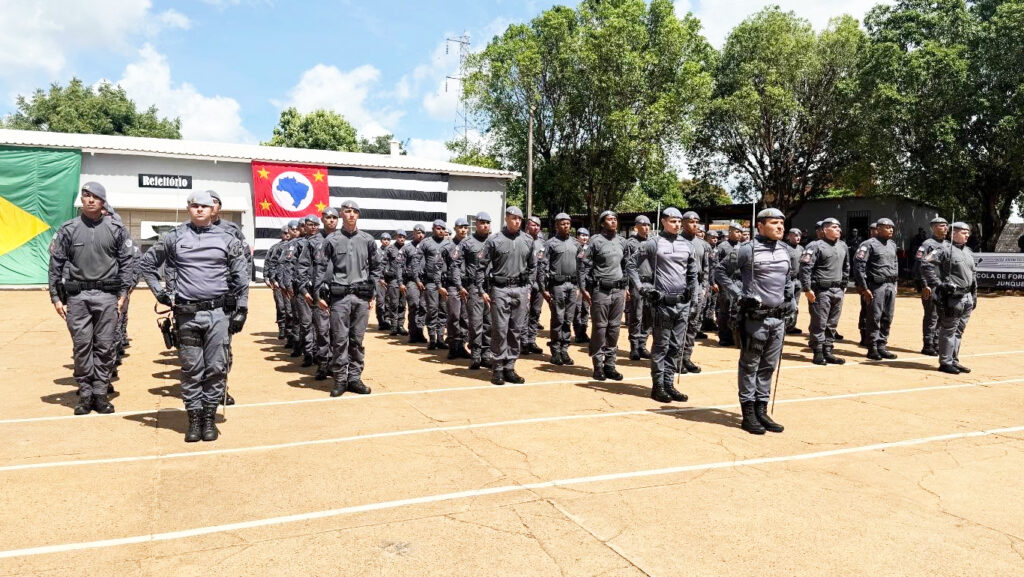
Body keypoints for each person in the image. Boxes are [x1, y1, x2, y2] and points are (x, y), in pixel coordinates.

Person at [139, 190, 249, 442]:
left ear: (213, 210)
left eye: (204, 206)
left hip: (219, 314)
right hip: (186, 314)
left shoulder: (227, 239)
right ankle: (194, 419)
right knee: (191, 368)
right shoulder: (174, 237)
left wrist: (242, 309)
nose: (199, 209)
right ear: (188, 209)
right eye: (194, 206)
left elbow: (241, 277)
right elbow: (146, 264)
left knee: (216, 368)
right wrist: (160, 293)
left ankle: (209, 419)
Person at [48, 182, 134, 415]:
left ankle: (100, 393)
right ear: (82, 200)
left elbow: (127, 262)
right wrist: (55, 296)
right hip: (78, 297)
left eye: (95, 196)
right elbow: (55, 264)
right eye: (86, 196)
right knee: (82, 346)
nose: (90, 200)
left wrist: (123, 293)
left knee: (105, 346)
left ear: (103, 201)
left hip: (107, 296)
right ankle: (85, 395)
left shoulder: (116, 229)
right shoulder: (68, 229)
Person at [716, 208, 791, 435]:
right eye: (774, 223)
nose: (780, 227)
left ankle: (761, 409)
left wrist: (791, 303)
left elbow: (788, 280)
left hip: (778, 319)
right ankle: (748, 412)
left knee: (768, 366)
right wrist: (739, 296)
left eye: (782, 224)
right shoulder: (747, 250)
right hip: (755, 319)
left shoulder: (785, 250)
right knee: (750, 365)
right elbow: (721, 272)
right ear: (760, 226)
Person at [626, 207, 698, 403]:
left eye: (678, 221)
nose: (676, 225)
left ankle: (669, 383)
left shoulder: (687, 244)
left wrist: (693, 295)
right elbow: (631, 265)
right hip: (662, 303)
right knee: (661, 345)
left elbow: (693, 273)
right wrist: (642, 288)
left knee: (676, 346)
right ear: (664, 222)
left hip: (682, 303)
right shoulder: (653, 243)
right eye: (672, 221)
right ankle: (658, 386)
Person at [314, 200, 382, 396]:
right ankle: (340, 379)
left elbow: (376, 268)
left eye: (355, 212)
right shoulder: (331, 240)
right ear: (341, 214)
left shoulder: (368, 240)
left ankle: (354, 378)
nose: (351, 215)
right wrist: (318, 293)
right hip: (340, 297)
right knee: (339, 339)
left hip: (361, 297)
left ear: (358, 215)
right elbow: (320, 267)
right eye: (347, 211)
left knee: (357, 340)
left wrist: (373, 292)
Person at [479, 206, 536, 385]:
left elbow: (533, 266)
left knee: (515, 330)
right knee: (500, 330)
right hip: (500, 289)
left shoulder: (528, 240)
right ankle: (497, 369)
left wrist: (528, 288)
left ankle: (510, 367)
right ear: (506, 219)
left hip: (520, 290)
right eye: (514, 218)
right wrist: (482, 291)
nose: (517, 221)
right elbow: (481, 266)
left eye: (520, 219)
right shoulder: (494, 239)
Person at [920, 222, 978, 374]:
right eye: (964, 232)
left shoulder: (969, 251)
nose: (967, 235)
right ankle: (945, 362)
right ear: (953, 234)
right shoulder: (944, 249)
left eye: (968, 232)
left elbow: (973, 275)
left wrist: (974, 295)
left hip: (966, 297)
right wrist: (938, 284)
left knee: (959, 330)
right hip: (952, 297)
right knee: (948, 329)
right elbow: (925, 264)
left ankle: (954, 360)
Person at [579, 210, 628, 382]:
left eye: (615, 219)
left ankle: (610, 365)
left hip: (618, 291)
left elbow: (627, 265)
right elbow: (583, 265)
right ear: (602, 223)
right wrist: (583, 287)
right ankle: (598, 365)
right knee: (600, 328)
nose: (613, 221)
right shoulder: (595, 241)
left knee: (614, 328)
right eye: (609, 219)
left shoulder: (622, 241)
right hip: (600, 291)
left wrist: (626, 285)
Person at [800, 217, 850, 365]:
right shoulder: (815, 246)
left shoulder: (843, 246)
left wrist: (844, 284)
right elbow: (805, 268)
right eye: (834, 227)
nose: (838, 230)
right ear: (824, 229)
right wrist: (807, 289)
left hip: (838, 290)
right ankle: (818, 352)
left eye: (839, 227)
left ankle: (828, 351)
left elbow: (846, 267)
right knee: (819, 323)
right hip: (821, 291)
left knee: (832, 323)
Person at [853, 217, 899, 360]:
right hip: (876, 286)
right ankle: (872, 347)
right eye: (887, 227)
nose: (891, 229)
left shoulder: (892, 244)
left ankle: (882, 345)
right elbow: (859, 265)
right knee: (874, 316)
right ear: (878, 229)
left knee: (887, 316)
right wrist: (864, 287)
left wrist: (895, 284)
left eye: (892, 227)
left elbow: (895, 263)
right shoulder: (868, 244)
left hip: (890, 285)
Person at [542, 213, 581, 366]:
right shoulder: (550, 243)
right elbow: (543, 266)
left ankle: (565, 349)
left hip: (572, 285)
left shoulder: (576, 244)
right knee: (558, 317)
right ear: (557, 225)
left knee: (568, 318)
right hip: (557, 285)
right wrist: (544, 287)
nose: (566, 226)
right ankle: (556, 349)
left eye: (568, 223)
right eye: (563, 223)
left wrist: (579, 286)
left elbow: (581, 266)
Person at [460, 212, 494, 370]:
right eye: (482, 222)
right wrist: (461, 284)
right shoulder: (467, 243)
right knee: (475, 322)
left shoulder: (495, 242)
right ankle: (475, 354)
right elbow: (457, 264)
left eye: (488, 222)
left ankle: (486, 355)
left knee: (489, 323)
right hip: (474, 287)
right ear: (476, 224)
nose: (485, 225)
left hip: (492, 286)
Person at [912, 217, 949, 356]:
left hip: (943, 285)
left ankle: (936, 342)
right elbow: (919, 265)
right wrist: (924, 285)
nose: (945, 228)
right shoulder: (927, 244)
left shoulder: (948, 244)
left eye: (946, 225)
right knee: (931, 316)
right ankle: (928, 345)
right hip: (931, 286)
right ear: (933, 228)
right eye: (941, 225)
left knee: (943, 315)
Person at [679, 211, 710, 373]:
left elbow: (706, 269)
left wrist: (704, 287)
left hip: (697, 287)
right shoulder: (676, 242)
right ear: (683, 223)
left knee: (693, 324)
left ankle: (686, 357)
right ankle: (676, 358)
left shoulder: (703, 244)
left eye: (697, 221)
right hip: (680, 286)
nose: (695, 225)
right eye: (691, 222)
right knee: (679, 324)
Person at [418, 219, 452, 350]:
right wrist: (417, 278)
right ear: (433, 229)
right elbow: (417, 260)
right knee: (432, 310)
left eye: (443, 229)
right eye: (438, 228)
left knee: (443, 311)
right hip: (431, 282)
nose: (441, 231)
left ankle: (440, 338)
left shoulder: (449, 244)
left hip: (445, 282)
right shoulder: (426, 243)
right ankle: (432, 339)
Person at [624, 216, 653, 360]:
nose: (646, 227)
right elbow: (626, 265)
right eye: (643, 225)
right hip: (637, 283)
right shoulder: (630, 243)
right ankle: (634, 347)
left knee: (649, 316)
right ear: (636, 227)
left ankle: (643, 344)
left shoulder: (653, 242)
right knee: (637, 315)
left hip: (652, 283)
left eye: (648, 225)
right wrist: (626, 285)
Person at [441, 218, 470, 359]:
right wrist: (440, 286)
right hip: (452, 285)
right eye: (460, 227)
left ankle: (462, 345)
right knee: (453, 316)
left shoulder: (470, 245)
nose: (463, 229)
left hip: (467, 285)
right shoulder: (447, 247)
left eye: (466, 227)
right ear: (455, 228)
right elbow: (440, 267)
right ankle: (453, 346)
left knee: (465, 317)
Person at [714, 223, 744, 347]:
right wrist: (715, 282)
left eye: (740, 232)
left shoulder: (743, 247)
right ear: (730, 231)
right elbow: (714, 265)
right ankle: (724, 337)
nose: (739, 234)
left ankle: (735, 336)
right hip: (726, 281)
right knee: (725, 310)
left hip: (740, 282)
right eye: (736, 231)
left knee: (738, 310)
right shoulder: (721, 247)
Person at [521, 216, 547, 355]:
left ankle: (531, 340)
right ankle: (523, 341)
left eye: (538, 226)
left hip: (539, 284)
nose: (535, 227)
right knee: (524, 313)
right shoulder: (521, 240)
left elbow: (543, 263)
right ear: (527, 226)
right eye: (533, 225)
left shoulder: (542, 243)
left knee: (535, 313)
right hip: (525, 283)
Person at [399, 224, 428, 344]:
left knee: (423, 307)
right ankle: (413, 332)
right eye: (418, 232)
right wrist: (400, 282)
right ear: (413, 233)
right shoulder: (407, 248)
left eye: (422, 232)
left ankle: (420, 332)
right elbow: (399, 266)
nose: (420, 235)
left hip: (425, 281)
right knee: (414, 305)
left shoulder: (428, 246)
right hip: (411, 281)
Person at [264, 225, 292, 339]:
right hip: (278, 282)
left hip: (290, 282)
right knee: (281, 306)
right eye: (285, 233)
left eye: (288, 232)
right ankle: (282, 328)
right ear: (281, 234)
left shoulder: (296, 246)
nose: (287, 235)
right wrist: (269, 278)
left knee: (291, 308)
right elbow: (269, 263)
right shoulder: (275, 247)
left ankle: (290, 331)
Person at [384, 230, 409, 336]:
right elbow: (383, 262)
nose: (401, 239)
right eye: (399, 236)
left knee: (402, 304)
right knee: (393, 303)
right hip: (393, 279)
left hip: (404, 280)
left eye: (403, 237)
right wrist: (384, 275)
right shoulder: (390, 249)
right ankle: (393, 326)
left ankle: (400, 325)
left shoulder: (407, 249)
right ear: (396, 237)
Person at [573, 227, 592, 343]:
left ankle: (583, 332)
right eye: (582, 235)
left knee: (586, 308)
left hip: (588, 283)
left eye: (586, 235)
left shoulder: (589, 249)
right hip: (577, 284)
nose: (584, 237)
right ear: (577, 236)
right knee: (577, 308)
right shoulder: (575, 248)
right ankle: (578, 333)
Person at [375, 232, 392, 331]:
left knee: (389, 301)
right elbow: (375, 266)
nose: (386, 241)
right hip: (379, 280)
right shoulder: (376, 251)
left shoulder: (392, 251)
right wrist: (380, 278)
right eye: (384, 239)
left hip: (389, 280)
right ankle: (381, 322)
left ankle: (387, 320)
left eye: (388, 239)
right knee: (380, 302)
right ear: (381, 240)